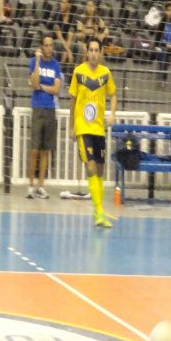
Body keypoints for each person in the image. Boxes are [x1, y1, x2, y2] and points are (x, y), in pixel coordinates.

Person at [69, 38, 116, 228]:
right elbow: (72, 101)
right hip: (83, 127)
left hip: (99, 129)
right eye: (91, 50)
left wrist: (112, 113)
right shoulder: (78, 72)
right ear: (87, 52)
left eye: (97, 50)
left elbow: (114, 95)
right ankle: (99, 211)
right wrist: (72, 125)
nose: (94, 53)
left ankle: (99, 209)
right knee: (90, 167)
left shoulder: (106, 74)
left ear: (101, 52)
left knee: (100, 170)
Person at [27, 35, 63, 199]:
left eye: (51, 45)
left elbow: (56, 89)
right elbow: (33, 83)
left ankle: (41, 185)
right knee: (34, 149)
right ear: (41, 47)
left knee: (45, 150)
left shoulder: (56, 65)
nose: (49, 48)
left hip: (50, 109)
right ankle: (31, 185)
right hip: (37, 108)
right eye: (46, 45)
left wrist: (41, 86)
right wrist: (38, 61)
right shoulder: (34, 62)